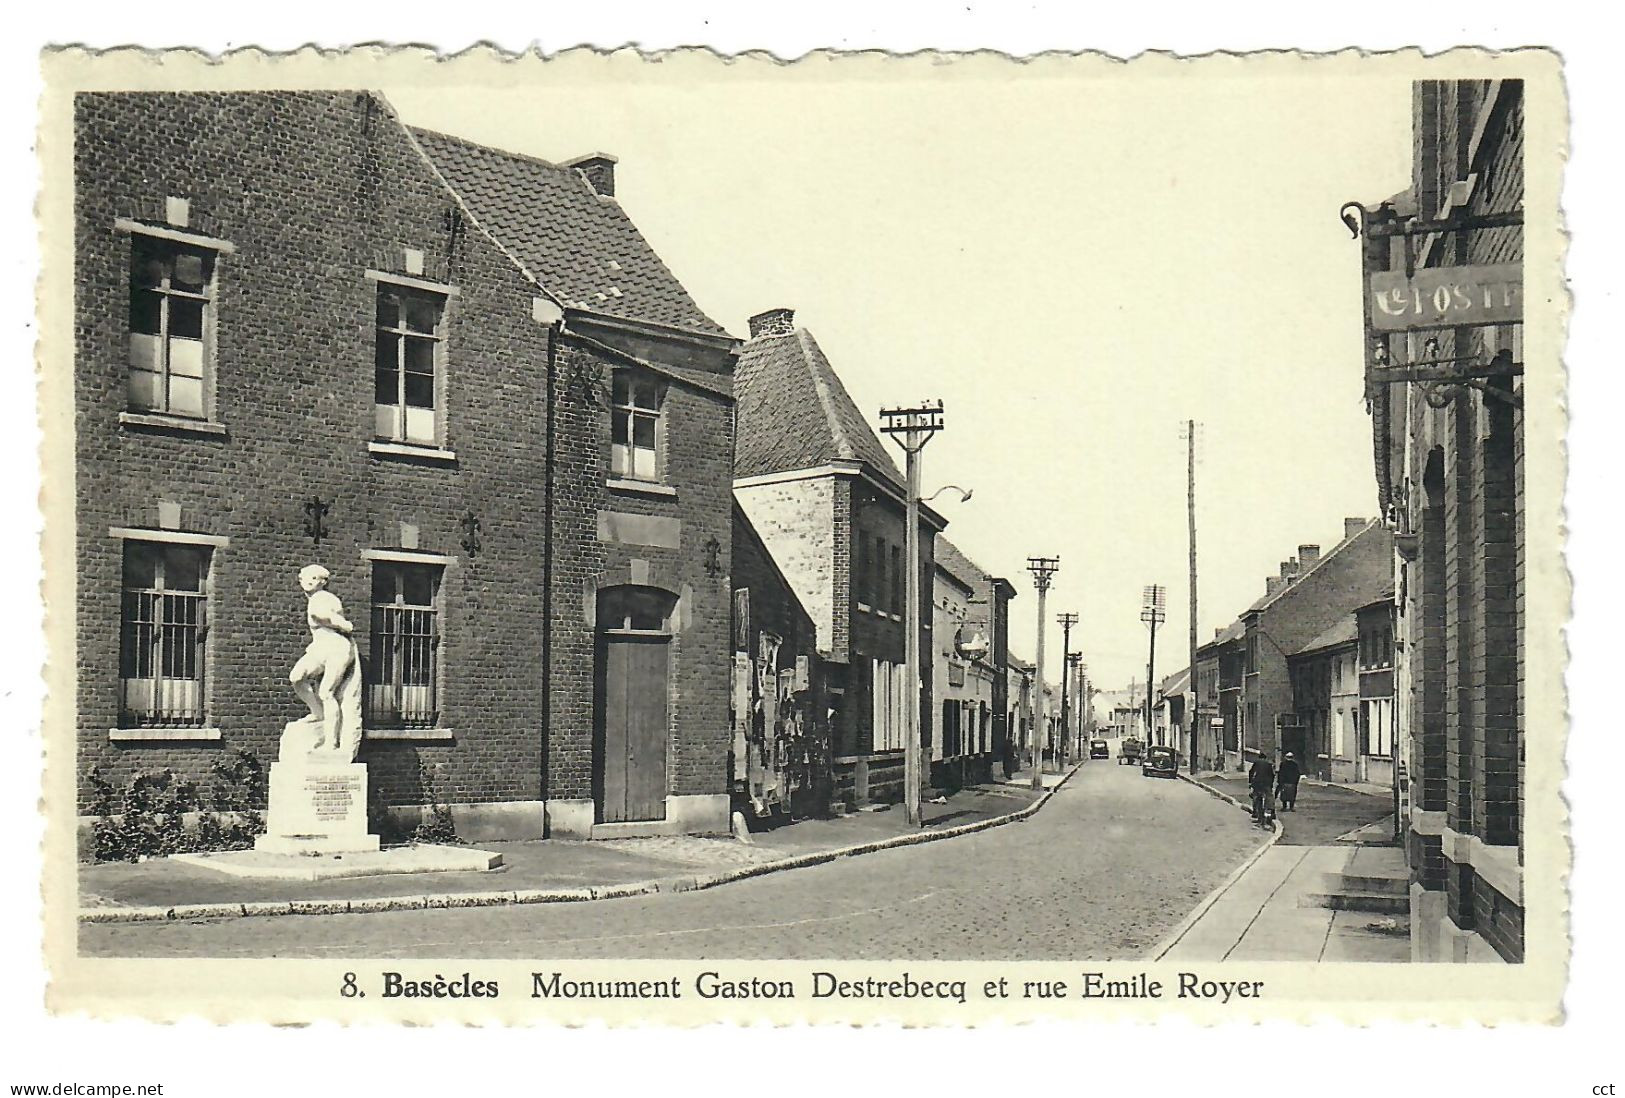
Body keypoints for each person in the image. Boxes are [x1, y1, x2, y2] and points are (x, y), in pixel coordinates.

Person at [1247, 753, 1276, 824]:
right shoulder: (1269, 764)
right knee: (1269, 797)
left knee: (1256, 797)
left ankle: (1255, 813)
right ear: (1265, 758)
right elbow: (1272, 775)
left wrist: (1250, 782)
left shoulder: (1256, 763)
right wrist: (1271, 784)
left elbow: (1251, 772)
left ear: (1259, 758)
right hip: (1266, 784)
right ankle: (1271, 813)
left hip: (1257, 783)